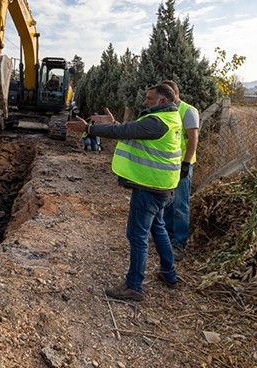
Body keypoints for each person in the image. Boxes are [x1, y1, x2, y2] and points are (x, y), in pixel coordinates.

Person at [66, 84, 182, 301]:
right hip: (164, 187)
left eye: (149, 99)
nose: (145, 102)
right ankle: (169, 274)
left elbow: (124, 132)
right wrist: (115, 124)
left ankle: (134, 286)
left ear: (163, 101)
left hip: (149, 187)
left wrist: (88, 129)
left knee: (137, 236)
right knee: (159, 229)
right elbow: (131, 131)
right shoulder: (169, 119)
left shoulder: (156, 122)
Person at [161, 80, 199, 262]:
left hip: (182, 164)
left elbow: (193, 140)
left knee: (180, 205)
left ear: (176, 93)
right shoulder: (167, 110)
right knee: (167, 202)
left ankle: (179, 243)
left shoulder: (188, 111)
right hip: (168, 164)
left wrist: (185, 163)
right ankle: (166, 237)